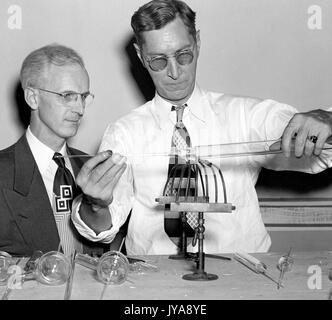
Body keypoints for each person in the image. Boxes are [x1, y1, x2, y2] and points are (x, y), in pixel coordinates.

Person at [72, 0, 332, 255]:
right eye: (159, 61)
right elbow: (101, 229)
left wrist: (325, 123)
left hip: (239, 277)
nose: (174, 72)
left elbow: (311, 149)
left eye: (183, 55)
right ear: (141, 56)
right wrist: (96, 204)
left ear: (197, 43)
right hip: (155, 280)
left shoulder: (244, 116)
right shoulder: (123, 133)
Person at [0, 44, 126, 257]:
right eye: (67, 95)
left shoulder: (94, 169)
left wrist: (98, 207)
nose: (80, 109)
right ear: (32, 97)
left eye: (83, 96)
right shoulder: (3, 173)